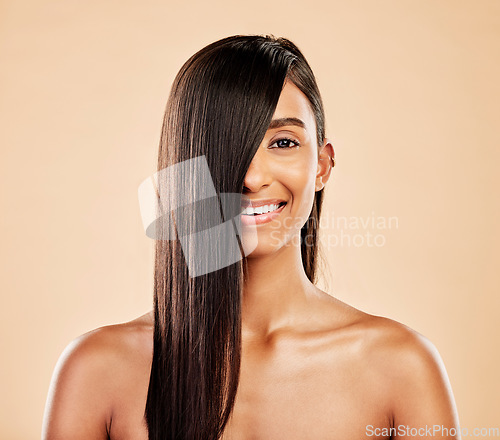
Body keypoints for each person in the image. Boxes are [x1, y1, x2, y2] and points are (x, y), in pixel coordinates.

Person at [42, 34, 460, 440]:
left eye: (283, 142)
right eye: (227, 147)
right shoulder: (95, 372)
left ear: (322, 165)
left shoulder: (402, 368)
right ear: (183, 173)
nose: (252, 177)